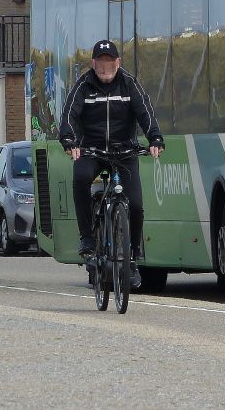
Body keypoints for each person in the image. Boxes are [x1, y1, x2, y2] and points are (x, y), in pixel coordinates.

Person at [59, 40, 164, 290]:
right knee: (81, 178)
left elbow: (145, 112)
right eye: (101, 62)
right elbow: (70, 115)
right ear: (93, 64)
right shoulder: (84, 86)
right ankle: (87, 237)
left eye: (110, 61)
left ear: (118, 62)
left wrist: (155, 138)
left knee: (136, 204)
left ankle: (133, 257)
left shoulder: (129, 84)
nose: (105, 66)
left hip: (124, 150)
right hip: (91, 149)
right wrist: (70, 141)